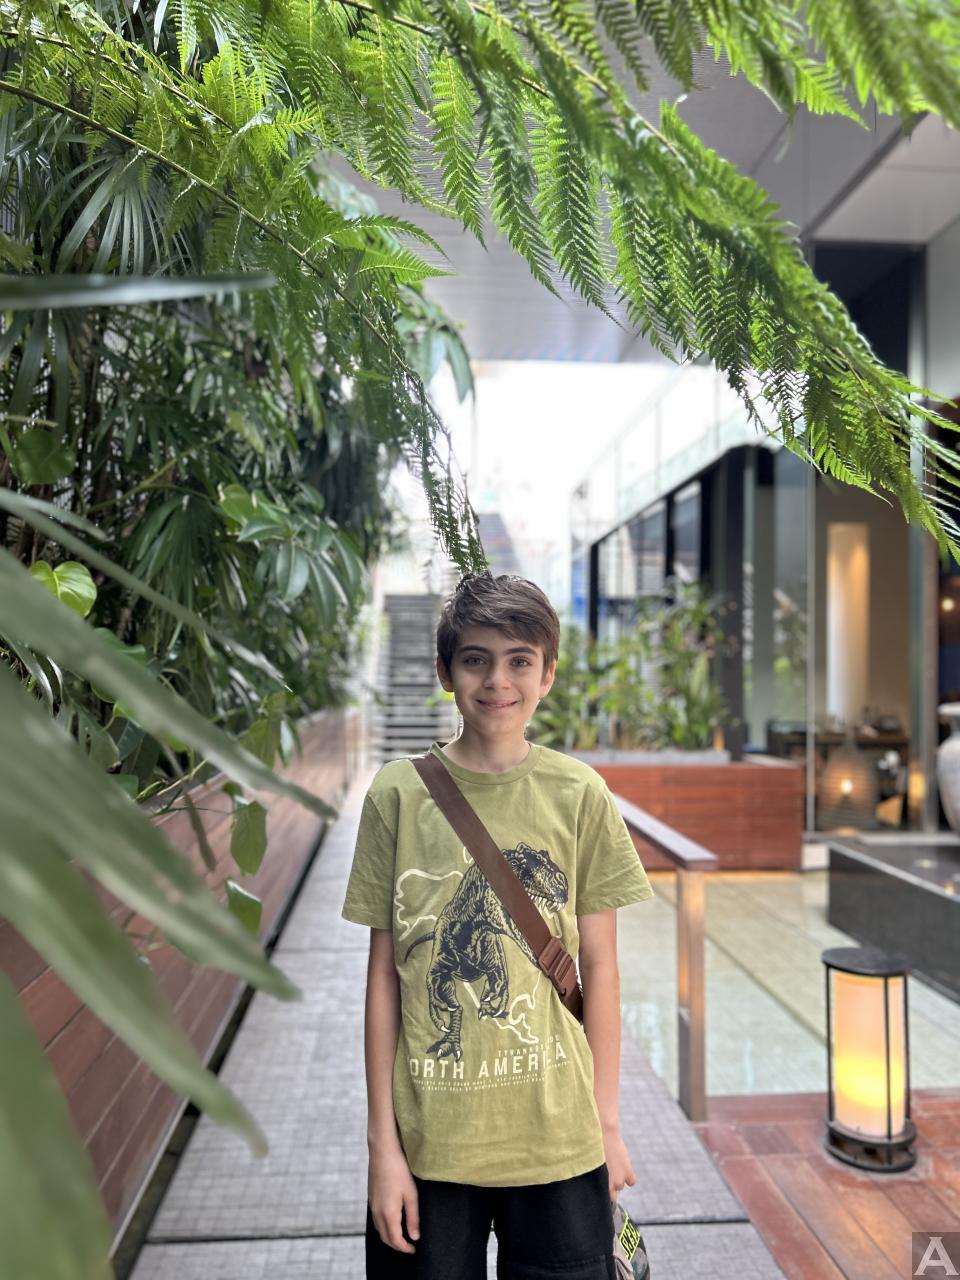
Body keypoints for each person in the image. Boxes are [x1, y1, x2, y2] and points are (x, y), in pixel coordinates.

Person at [341, 572, 655, 1278]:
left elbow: (601, 968)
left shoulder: (580, 793)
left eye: (519, 660)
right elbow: (383, 979)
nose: (497, 681)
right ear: (445, 671)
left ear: (547, 674)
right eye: (476, 659)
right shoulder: (398, 795)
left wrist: (606, 1123)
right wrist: (382, 1149)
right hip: (430, 1144)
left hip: (559, 1137)